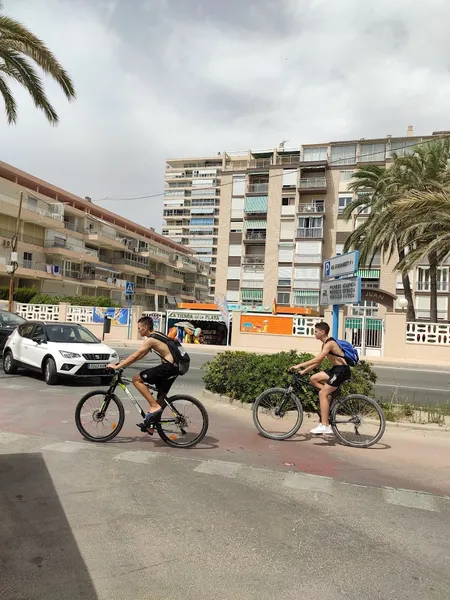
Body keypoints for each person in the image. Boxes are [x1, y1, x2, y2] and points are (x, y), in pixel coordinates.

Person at [107, 316, 179, 428]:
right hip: (174, 367)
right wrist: (124, 362)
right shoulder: (157, 335)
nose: (138, 330)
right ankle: (151, 425)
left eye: (139, 328)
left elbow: (135, 355)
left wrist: (117, 367)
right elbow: (141, 355)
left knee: (136, 379)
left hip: (168, 367)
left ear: (145, 328)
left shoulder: (150, 340)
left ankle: (154, 406)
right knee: (161, 397)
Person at [291, 321, 351, 435]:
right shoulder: (324, 344)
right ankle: (328, 395)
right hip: (335, 369)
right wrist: (304, 371)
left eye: (316, 331)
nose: (314, 333)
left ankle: (325, 425)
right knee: (313, 379)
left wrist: (299, 365)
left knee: (322, 393)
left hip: (341, 371)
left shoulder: (330, 343)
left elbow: (317, 359)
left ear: (322, 332)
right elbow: (318, 364)